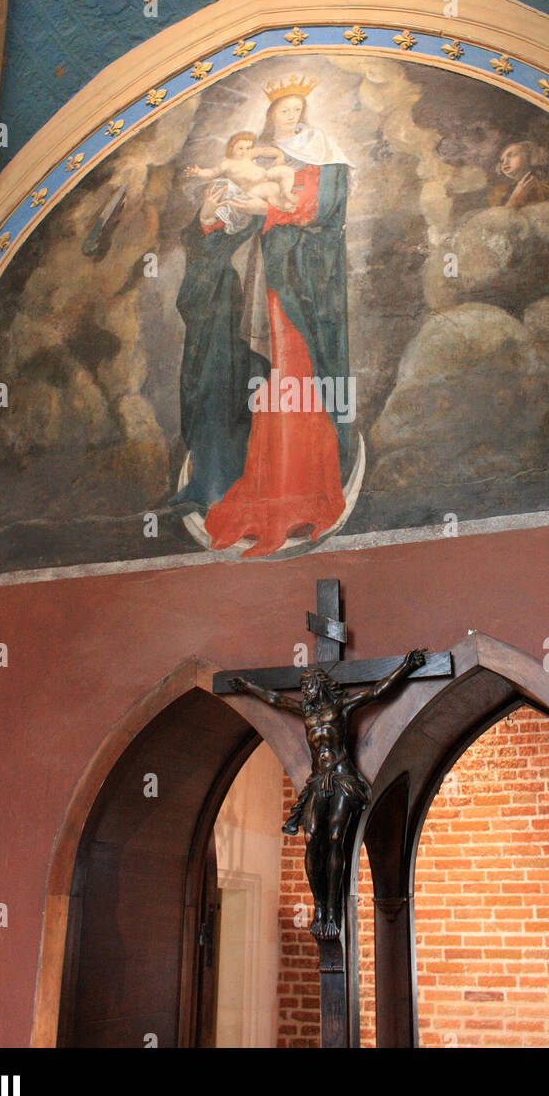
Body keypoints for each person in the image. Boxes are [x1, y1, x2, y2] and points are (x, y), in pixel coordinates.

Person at [172, 76, 355, 557]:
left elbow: (322, 209)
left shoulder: (327, 157)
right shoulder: (263, 158)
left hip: (304, 283)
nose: (290, 117)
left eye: (297, 109)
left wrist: (281, 211)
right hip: (267, 283)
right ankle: (260, 481)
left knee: (301, 378)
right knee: (270, 376)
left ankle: (304, 485)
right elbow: (236, 221)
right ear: (271, 117)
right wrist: (212, 216)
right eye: (282, 111)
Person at [229, 649, 428, 939]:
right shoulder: (306, 712)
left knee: (335, 836)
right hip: (318, 779)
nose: (305, 692)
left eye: (309, 686)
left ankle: (334, 907)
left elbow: (376, 691)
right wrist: (247, 687)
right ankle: (320, 906)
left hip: (342, 776)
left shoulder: (340, 709)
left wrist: (406, 667)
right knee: (311, 836)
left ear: (319, 685)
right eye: (304, 688)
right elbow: (276, 699)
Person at [184, 132, 300, 216]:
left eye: (248, 148)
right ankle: (282, 204)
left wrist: (279, 155)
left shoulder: (248, 154)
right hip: (252, 189)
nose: (244, 151)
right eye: (240, 148)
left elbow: (264, 151)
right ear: (231, 147)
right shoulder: (226, 164)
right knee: (272, 187)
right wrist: (199, 172)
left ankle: (286, 192)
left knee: (286, 171)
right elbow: (211, 173)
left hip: (265, 176)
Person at [490, 141, 549, 209]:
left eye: (511, 155)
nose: (505, 162)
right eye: (501, 160)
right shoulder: (500, 193)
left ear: (529, 157)